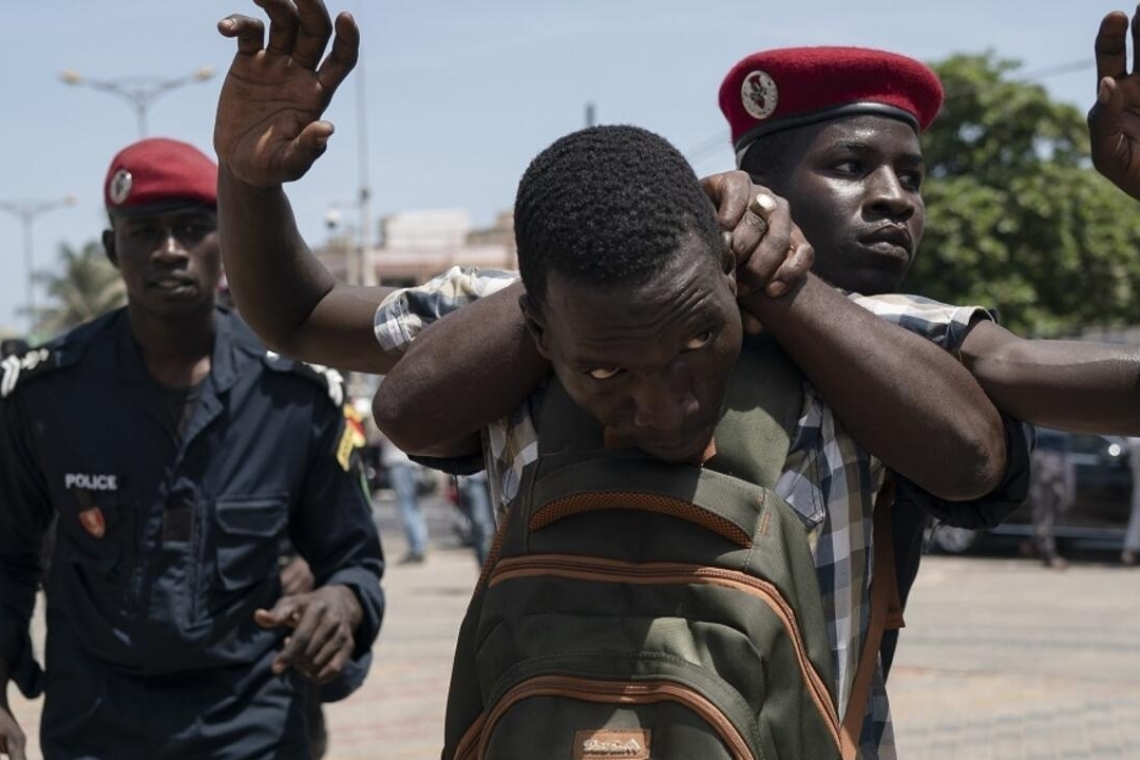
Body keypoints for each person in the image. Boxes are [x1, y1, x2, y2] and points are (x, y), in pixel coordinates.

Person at [0, 138, 385, 760]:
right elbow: (8, 558)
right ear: (111, 249)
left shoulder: (295, 396)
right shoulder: (47, 397)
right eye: (145, 231)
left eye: (191, 228)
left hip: (252, 725)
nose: (170, 250)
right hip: (96, 727)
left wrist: (337, 605)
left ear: (226, 242)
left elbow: (353, 559)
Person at [379, 433, 430, 564]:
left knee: (407, 506)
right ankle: (419, 546)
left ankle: (417, 548)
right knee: (412, 506)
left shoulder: (391, 415)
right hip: (409, 462)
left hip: (400, 463)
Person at [1027, 433, 1075, 569]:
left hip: (1063, 450)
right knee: (1044, 507)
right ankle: (1047, 552)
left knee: (1065, 500)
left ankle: (1035, 543)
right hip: (1045, 451)